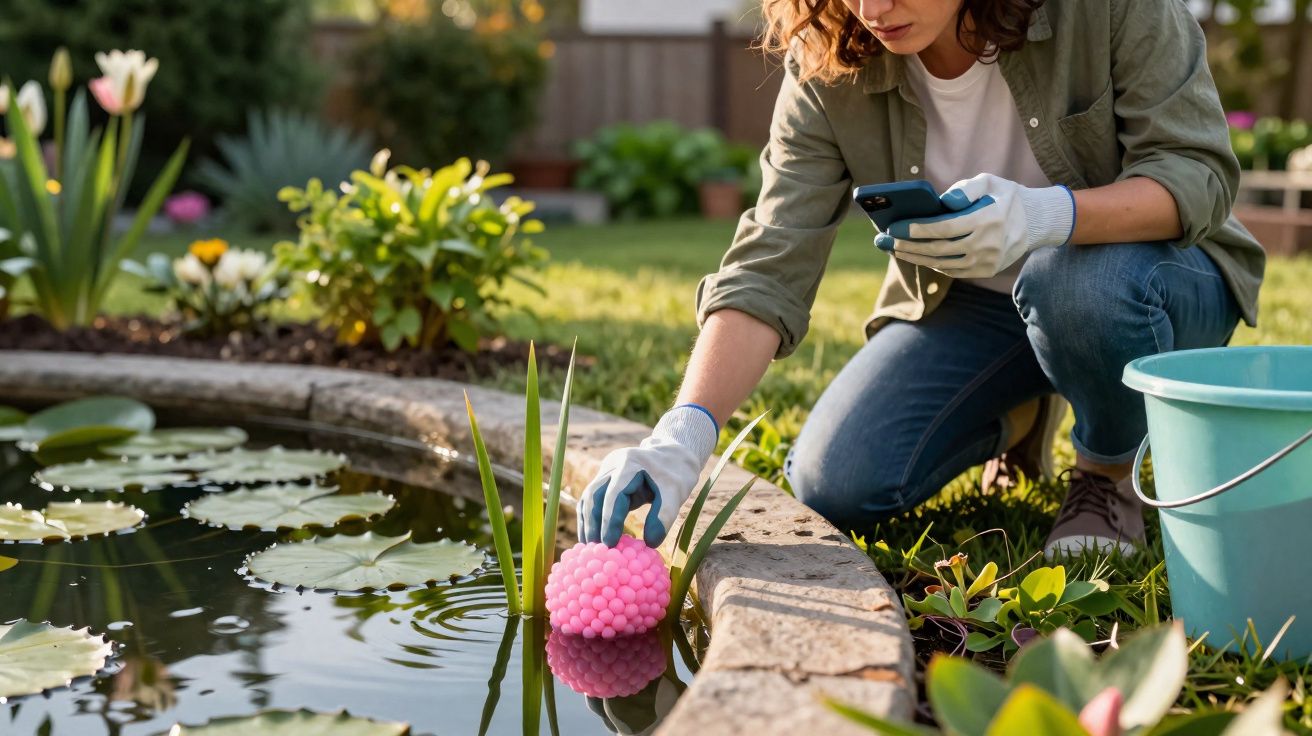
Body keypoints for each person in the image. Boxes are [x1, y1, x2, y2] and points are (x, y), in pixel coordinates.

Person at [577, 0, 1265, 556]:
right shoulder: (826, 57)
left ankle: (1105, 476)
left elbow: (1197, 176)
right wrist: (683, 434)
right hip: (975, 309)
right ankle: (1024, 406)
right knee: (834, 483)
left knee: (1071, 284)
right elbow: (771, 259)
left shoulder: (1109, 9)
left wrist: (1046, 214)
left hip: (1153, 281)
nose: (873, 7)